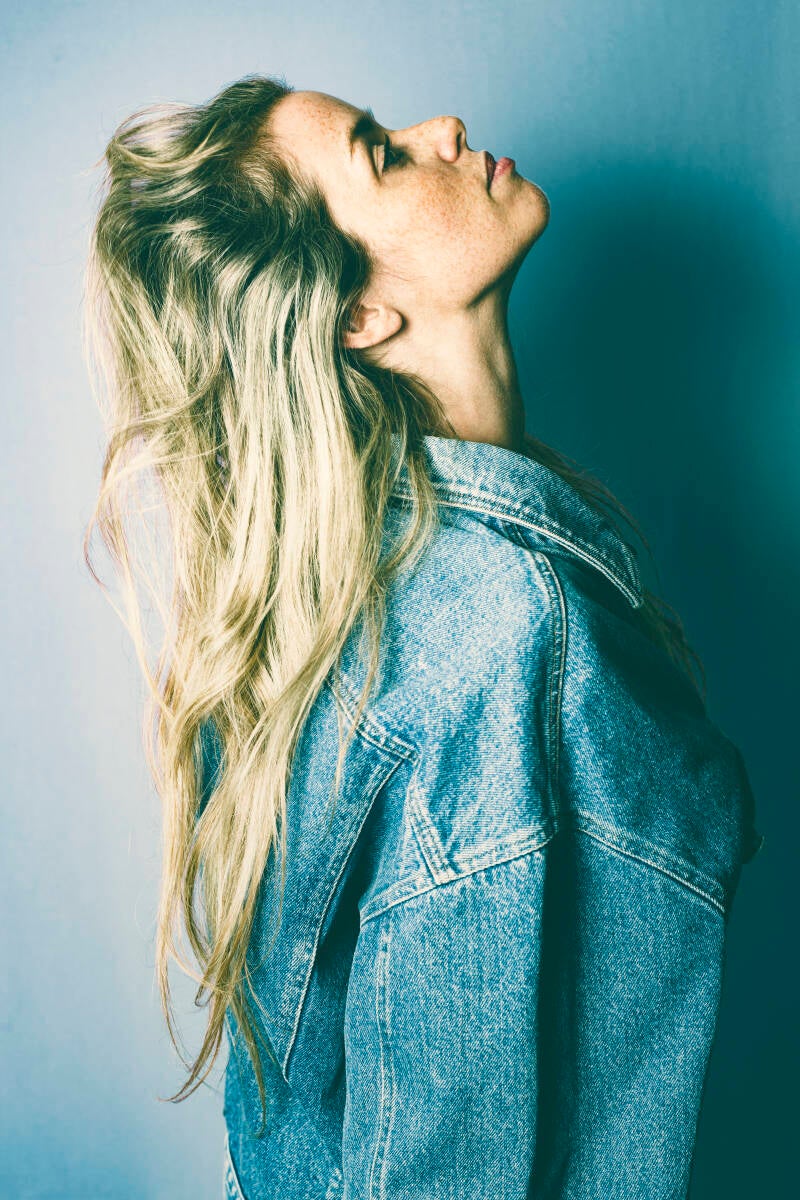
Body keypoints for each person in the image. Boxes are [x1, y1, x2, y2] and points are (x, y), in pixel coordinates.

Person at [83, 73, 764, 1200]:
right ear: (359, 317)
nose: (440, 129)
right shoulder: (505, 629)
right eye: (382, 154)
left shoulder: (354, 601)